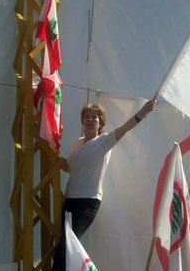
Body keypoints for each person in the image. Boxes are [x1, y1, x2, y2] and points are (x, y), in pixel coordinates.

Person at [51, 99, 157, 270]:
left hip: (88, 201)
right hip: (70, 199)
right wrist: (52, 154)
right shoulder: (78, 143)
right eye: (87, 117)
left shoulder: (104, 141)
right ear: (82, 121)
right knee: (66, 246)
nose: (90, 120)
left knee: (66, 245)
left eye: (95, 117)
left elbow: (124, 129)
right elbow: (69, 167)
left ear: (101, 123)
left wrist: (142, 114)